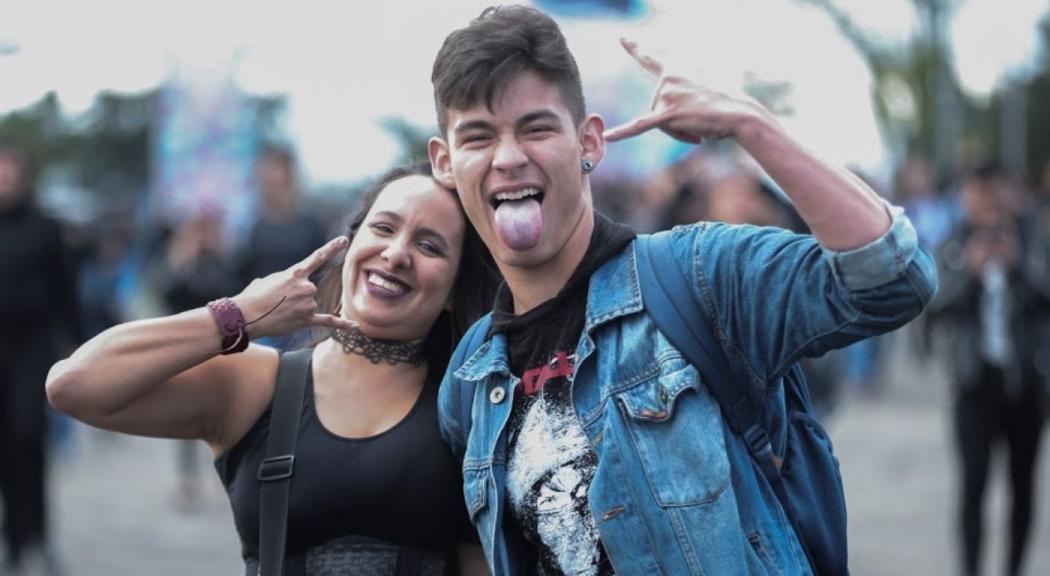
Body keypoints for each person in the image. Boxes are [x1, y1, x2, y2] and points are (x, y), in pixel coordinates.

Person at [426, 6, 938, 575]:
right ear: (445, 163)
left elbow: (894, 279)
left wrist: (750, 125)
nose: (509, 157)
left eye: (536, 128)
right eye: (478, 137)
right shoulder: (470, 379)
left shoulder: (699, 275)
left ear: (590, 142)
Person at [47, 162, 495, 575]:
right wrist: (239, 314)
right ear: (351, 244)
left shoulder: (471, 403)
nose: (397, 254)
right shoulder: (259, 382)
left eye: (429, 245)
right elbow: (74, 384)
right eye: (383, 227)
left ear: (456, 289)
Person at [927, 163, 1050, 576]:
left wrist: (1018, 267)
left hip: (1026, 385)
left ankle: (1014, 567)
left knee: (1023, 487)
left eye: (995, 193)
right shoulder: (953, 242)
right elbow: (935, 304)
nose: (987, 204)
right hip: (973, 384)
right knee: (973, 487)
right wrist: (972, 274)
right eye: (978, 195)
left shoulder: (1034, 238)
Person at [0, 143, 80, 575]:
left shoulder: (45, 228)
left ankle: (39, 536)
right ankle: (12, 542)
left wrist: (76, 344)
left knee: (28, 438)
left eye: (9, 172)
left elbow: (66, 289)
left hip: (33, 350)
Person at [238, 144, 328, 349]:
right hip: (262, 319)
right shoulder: (255, 227)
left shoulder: (310, 225)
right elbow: (242, 275)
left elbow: (323, 275)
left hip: (300, 321)